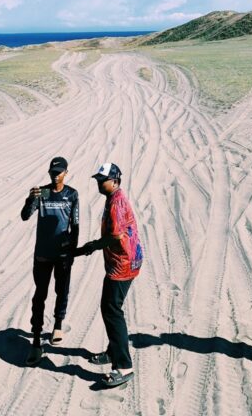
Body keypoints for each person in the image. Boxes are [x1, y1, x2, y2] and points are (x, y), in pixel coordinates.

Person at [74, 161, 143, 389]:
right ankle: (113, 352)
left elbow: (115, 236)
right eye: (98, 180)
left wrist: (93, 245)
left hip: (122, 264)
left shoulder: (116, 202)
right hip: (125, 260)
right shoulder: (113, 198)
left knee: (112, 310)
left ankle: (124, 366)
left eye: (103, 180)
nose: (99, 183)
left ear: (114, 181)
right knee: (111, 308)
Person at [20, 155, 79, 365]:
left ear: (66, 173)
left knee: (62, 291)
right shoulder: (42, 193)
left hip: (62, 255)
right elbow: (25, 216)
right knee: (39, 296)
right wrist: (30, 199)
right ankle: (36, 340)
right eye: (53, 172)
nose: (55, 176)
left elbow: (75, 225)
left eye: (59, 172)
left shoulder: (72, 194)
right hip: (43, 255)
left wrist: (72, 251)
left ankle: (58, 325)